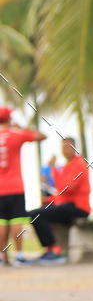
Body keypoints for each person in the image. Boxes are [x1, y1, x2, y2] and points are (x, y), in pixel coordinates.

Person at [29, 137, 91, 263]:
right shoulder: (68, 165)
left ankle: (52, 251)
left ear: (74, 148)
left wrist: (54, 173)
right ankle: (50, 250)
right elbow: (61, 187)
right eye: (62, 147)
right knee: (35, 213)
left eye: (67, 147)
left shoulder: (79, 164)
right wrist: (52, 168)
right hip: (67, 205)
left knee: (37, 214)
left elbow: (68, 188)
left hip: (78, 207)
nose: (64, 150)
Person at [0, 105, 46, 266]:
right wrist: (21, 127)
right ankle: (19, 255)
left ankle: (2, 257)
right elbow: (41, 136)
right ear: (9, 118)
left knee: (1, 221)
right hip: (15, 186)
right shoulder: (16, 134)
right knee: (16, 220)